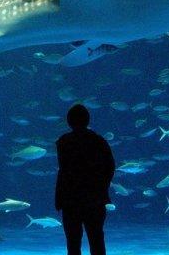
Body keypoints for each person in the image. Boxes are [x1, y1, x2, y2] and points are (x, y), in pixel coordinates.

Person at [55, 104, 115, 255]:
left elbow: (63, 172)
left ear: (68, 121)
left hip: (70, 200)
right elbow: (110, 167)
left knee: (73, 243)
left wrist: (59, 197)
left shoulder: (63, 142)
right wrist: (102, 190)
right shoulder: (99, 140)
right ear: (88, 120)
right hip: (94, 199)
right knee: (97, 240)